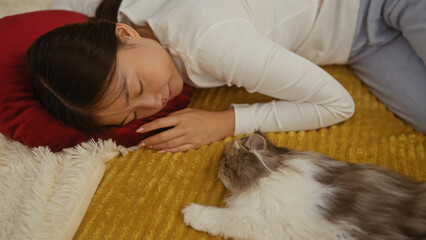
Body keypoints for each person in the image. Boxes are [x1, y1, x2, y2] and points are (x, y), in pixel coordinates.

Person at [27, 0, 425, 153]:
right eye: (131, 117)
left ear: (124, 34)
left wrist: (227, 121)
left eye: (137, 88)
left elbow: (337, 104)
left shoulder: (210, 43)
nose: (153, 105)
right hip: (359, 40)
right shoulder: (119, 16)